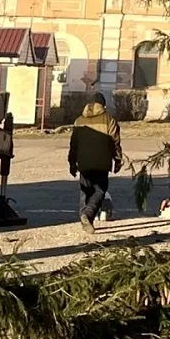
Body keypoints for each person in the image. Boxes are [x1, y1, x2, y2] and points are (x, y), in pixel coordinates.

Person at [67, 92, 122, 235]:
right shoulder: (109, 120)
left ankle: (86, 220)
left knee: (85, 190)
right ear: (103, 105)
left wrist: (72, 163)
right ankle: (88, 215)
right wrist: (117, 160)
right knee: (100, 190)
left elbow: (73, 145)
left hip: (83, 162)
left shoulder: (79, 121)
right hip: (102, 161)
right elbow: (115, 142)